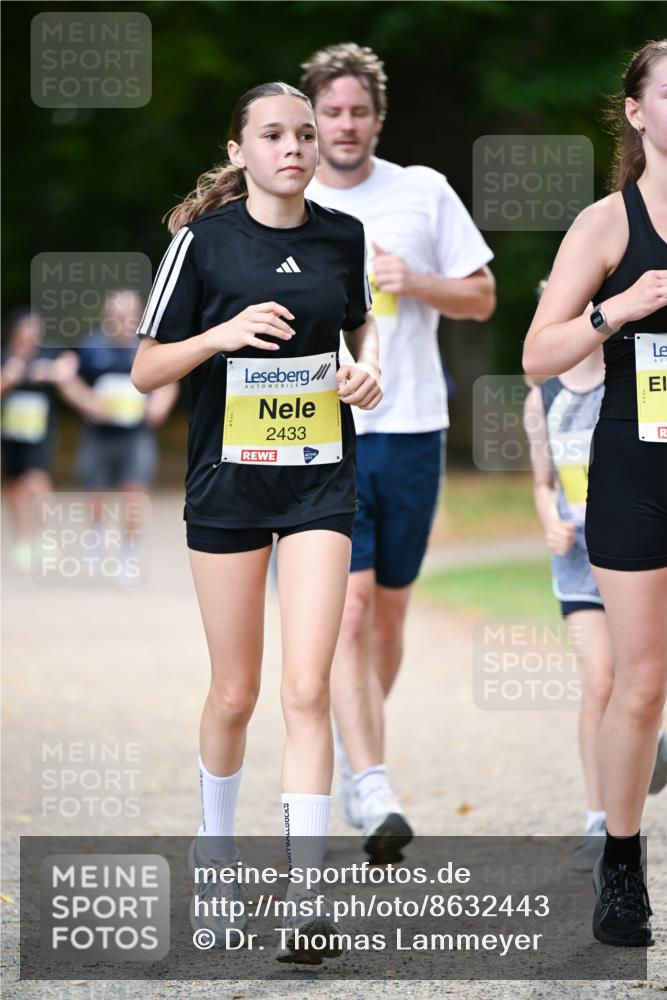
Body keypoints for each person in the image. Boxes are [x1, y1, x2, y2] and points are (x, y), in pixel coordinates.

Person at [130, 81, 381, 964]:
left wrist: (364, 373)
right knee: (235, 693)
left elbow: (360, 327)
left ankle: (309, 896)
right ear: (238, 151)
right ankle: (216, 856)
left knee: (307, 686)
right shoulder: (201, 244)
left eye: (305, 134)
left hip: (319, 483)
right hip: (227, 489)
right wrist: (223, 334)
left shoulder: (343, 236)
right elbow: (147, 372)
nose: (295, 147)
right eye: (273, 134)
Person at [301, 42, 496, 860]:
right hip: (321, 434)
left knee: (386, 619)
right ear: (311, 118)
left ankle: (355, 749)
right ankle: (373, 779)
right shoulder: (287, 193)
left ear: (377, 118)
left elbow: (482, 297)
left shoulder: (422, 191)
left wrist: (414, 280)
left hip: (412, 426)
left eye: (357, 112)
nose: (344, 126)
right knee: (344, 610)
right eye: (331, 112)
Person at [523, 40, 667, 947]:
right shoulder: (605, 226)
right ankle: (621, 866)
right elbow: (538, 353)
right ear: (638, 113)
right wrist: (617, 308)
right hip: (635, 465)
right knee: (640, 683)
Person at [58, 290, 178, 575]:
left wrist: (160, 406)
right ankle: (98, 536)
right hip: (98, 434)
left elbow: (169, 380)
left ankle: (129, 551)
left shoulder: (147, 347)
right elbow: (65, 376)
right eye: (115, 315)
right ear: (106, 316)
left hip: (136, 435)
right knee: (95, 492)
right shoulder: (90, 345)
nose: (121, 321)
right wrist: (85, 399)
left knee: (134, 493)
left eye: (127, 316)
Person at [1, 308, 78, 571]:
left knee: (37, 481)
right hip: (11, 434)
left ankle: (47, 538)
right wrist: (9, 378)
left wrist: (51, 372)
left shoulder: (50, 353)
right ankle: (22, 540)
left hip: (40, 434)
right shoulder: (6, 358)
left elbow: (69, 365)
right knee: (14, 487)